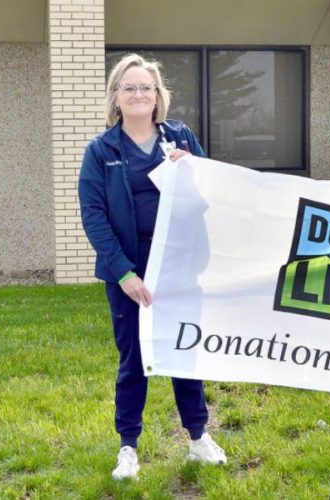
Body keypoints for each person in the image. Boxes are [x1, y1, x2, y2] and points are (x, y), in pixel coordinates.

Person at [78, 53, 226, 480]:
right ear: (116, 98)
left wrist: (192, 171)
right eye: (129, 88)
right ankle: (128, 448)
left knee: (184, 350)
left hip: (178, 264)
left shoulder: (180, 137)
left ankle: (198, 437)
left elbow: (205, 198)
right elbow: (94, 216)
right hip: (128, 268)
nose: (138, 94)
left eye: (146, 87)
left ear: (158, 95)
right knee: (134, 358)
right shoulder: (100, 150)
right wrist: (124, 272)